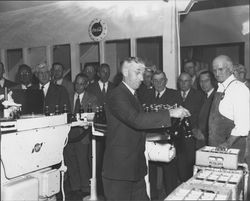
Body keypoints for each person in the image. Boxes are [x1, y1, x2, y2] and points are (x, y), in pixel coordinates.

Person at [102, 57, 190, 201]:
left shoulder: (132, 94)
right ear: (125, 72)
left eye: (143, 74)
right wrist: (170, 113)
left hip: (134, 167)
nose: (142, 78)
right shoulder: (117, 95)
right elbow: (136, 120)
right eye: (137, 73)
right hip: (120, 171)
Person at [208, 55, 250, 163]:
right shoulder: (221, 88)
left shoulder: (238, 89)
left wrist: (227, 144)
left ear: (231, 69)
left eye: (221, 69)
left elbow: (243, 126)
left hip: (231, 150)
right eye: (214, 70)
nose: (217, 73)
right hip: (217, 149)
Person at [147, 70, 181, 199]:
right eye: (155, 80)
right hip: (149, 138)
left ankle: (171, 196)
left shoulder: (174, 95)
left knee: (170, 173)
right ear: (152, 82)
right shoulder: (146, 95)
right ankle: (152, 197)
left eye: (161, 80)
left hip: (168, 138)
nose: (158, 83)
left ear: (166, 81)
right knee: (151, 172)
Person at [64, 72, 98, 197]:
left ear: (86, 84)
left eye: (81, 84)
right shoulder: (68, 96)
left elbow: (92, 116)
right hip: (69, 134)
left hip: (82, 134)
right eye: (77, 84)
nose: (78, 86)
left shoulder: (92, 98)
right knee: (70, 160)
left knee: (82, 161)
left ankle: (85, 187)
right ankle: (74, 186)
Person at [177, 72, 205, 182]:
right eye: (181, 81)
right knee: (180, 166)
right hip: (178, 137)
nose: (183, 83)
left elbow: (202, 116)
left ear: (191, 82)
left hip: (193, 136)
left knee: (191, 165)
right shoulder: (174, 95)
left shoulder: (199, 95)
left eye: (186, 81)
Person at [195, 70, 217, 149]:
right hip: (200, 139)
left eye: (206, 81)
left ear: (212, 81)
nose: (203, 84)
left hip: (210, 140)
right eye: (201, 81)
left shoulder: (216, 96)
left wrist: (204, 135)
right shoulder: (203, 96)